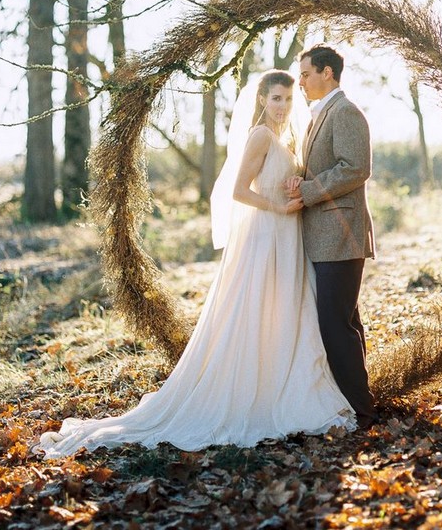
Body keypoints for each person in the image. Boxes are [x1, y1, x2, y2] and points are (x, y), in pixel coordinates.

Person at [36, 70, 355, 459]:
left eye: (288, 99)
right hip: (266, 234)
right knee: (255, 311)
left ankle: (288, 382)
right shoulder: (259, 136)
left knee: (288, 310)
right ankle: (255, 391)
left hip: (288, 235)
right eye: (276, 99)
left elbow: (285, 177)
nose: (283, 106)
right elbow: (238, 191)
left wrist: (294, 185)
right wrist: (278, 206)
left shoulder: (287, 138)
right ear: (261, 100)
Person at [285, 46, 376, 429]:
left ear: (327, 72)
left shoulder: (346, 112)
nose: (301, 81)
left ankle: (363, 411)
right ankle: (357, 401)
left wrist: (306, 192)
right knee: (344, 321)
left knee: (334, 324)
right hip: (324, 235)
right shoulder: (317, 116)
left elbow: (356, 168)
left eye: (306, 74)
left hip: (342, 233)